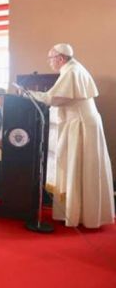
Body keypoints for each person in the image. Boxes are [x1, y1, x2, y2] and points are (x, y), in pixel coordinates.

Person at [28, 43, 114, 228]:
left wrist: (31, 94)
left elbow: (53, 98)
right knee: (81, 169)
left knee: (78, 167)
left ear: (60, 58)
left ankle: (80, 214)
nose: (50, 62)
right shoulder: (75, 68)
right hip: (81, 123)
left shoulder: (71, 72)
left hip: (80, 126)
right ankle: (82, 213)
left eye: (51, 58)